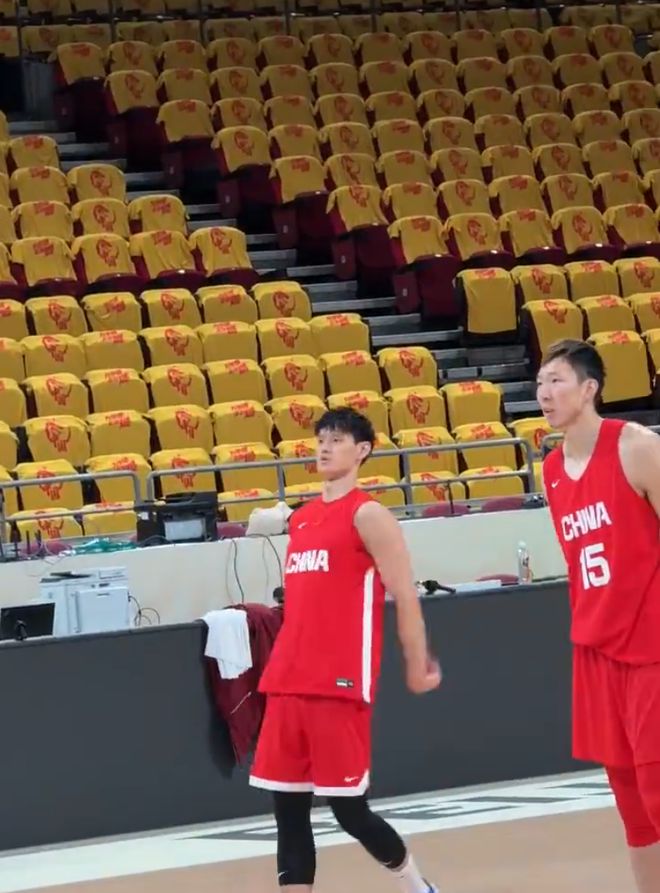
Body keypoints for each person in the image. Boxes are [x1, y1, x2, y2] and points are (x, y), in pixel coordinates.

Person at [249, 407, 442, 892]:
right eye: (320, 439)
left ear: (362, 450)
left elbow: (405, 594)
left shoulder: (368, 514)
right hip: (286, 680)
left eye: (336, 439)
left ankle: (419, 886)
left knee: (350, 810)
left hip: (337, 682)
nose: (324, 447)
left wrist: (417, 662)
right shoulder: (302, 519)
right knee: (288, 812)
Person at [537, 338, 660, 893]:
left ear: (590, 389)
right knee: (634, 813)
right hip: (596, 650)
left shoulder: (637, 447)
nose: (544, 392)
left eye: (557, 380)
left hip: (650, 643)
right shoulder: (551, 470)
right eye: (540, 382)